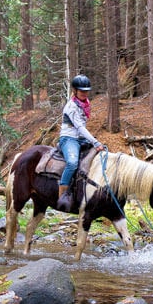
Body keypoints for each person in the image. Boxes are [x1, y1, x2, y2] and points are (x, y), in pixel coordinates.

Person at [58, 74, 104, 211]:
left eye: (86, 90)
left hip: (80, 138)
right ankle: (63, 195)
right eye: (81, 91)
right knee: (72, 163)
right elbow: (79, 127)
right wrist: (95, 142)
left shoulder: (85, 104)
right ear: (75, 91)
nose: (84, 93)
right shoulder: (71, 107)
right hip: (69, 138)